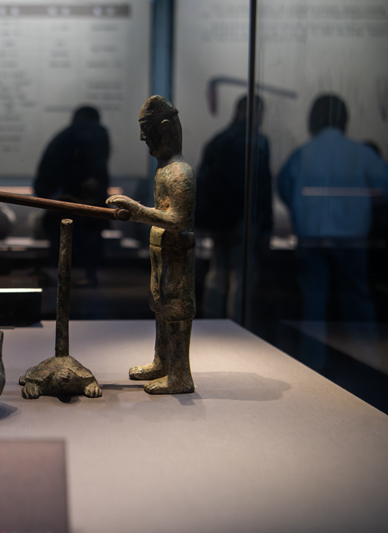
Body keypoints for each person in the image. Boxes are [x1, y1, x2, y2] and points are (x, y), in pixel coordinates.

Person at [277, 94, 388, 368]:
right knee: (357, 303)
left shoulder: (302, 153)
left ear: (313, 119)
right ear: (345, 119)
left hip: (312, 237)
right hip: (352, 239)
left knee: (313, 306)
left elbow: (284, 187)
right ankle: (370, 361)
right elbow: (383, 188)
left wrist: (303, 212)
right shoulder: (360, 152)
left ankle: (313, 364)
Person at [106, 96, 195, 394]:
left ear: (166, 128)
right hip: (162, 252)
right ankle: (162, 362)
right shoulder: (165, 168)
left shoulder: (180, 171)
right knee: (160, 306)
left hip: (176, 253)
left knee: (176, 311)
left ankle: (180, 376)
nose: (143, 138)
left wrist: (138, 211)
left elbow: (179, 219)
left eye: (147, 129)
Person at [195, 95, 272, 321]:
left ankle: (213, 322)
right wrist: (265, 225)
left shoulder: (218, 141)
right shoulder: (258, 142)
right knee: (242, 276)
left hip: (219, 220)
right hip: (244, 219)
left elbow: (204, 182)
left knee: (218, 272)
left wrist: (204, 220)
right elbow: (262, 186)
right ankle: (238, 325)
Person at [35, 106, 110, 286]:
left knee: (64, 243)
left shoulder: (65, 136)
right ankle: (84, 276)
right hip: (74, 201)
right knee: (84, 241)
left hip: (64, 200)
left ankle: (64, 278)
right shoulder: (93, 133)